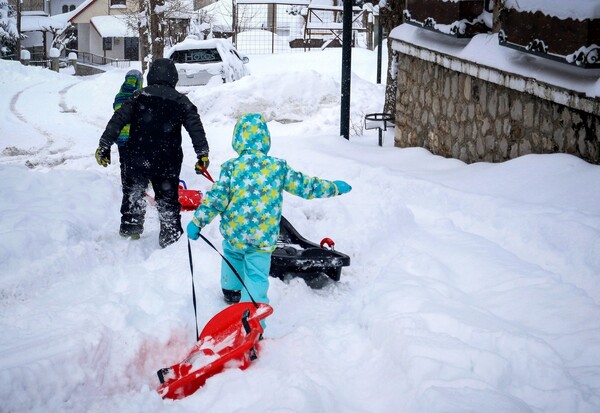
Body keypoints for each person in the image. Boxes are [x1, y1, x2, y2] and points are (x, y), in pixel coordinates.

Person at [186, 112, 352, 308]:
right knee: (256, 275)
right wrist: (333, 187)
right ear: (265, 140)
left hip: (235, 233)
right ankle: (252, 316)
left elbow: (216, 200)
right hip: (262, 238)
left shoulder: (231, 168)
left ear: (237, 140)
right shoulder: (277, 168)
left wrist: (198, 222)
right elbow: (305, 186)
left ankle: (231, 291)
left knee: (233, 256)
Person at [96, 59, 210, 248]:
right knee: (167, 201)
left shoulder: (138, 96)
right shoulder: (181, 100)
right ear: (173, 77)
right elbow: (195, 128)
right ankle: (170, 237)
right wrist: (202, 154)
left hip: (137, 157)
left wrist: (104, 145)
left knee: (134, 193)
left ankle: (130, 230)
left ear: (151, 76)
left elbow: (118, 120)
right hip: (168, 161)